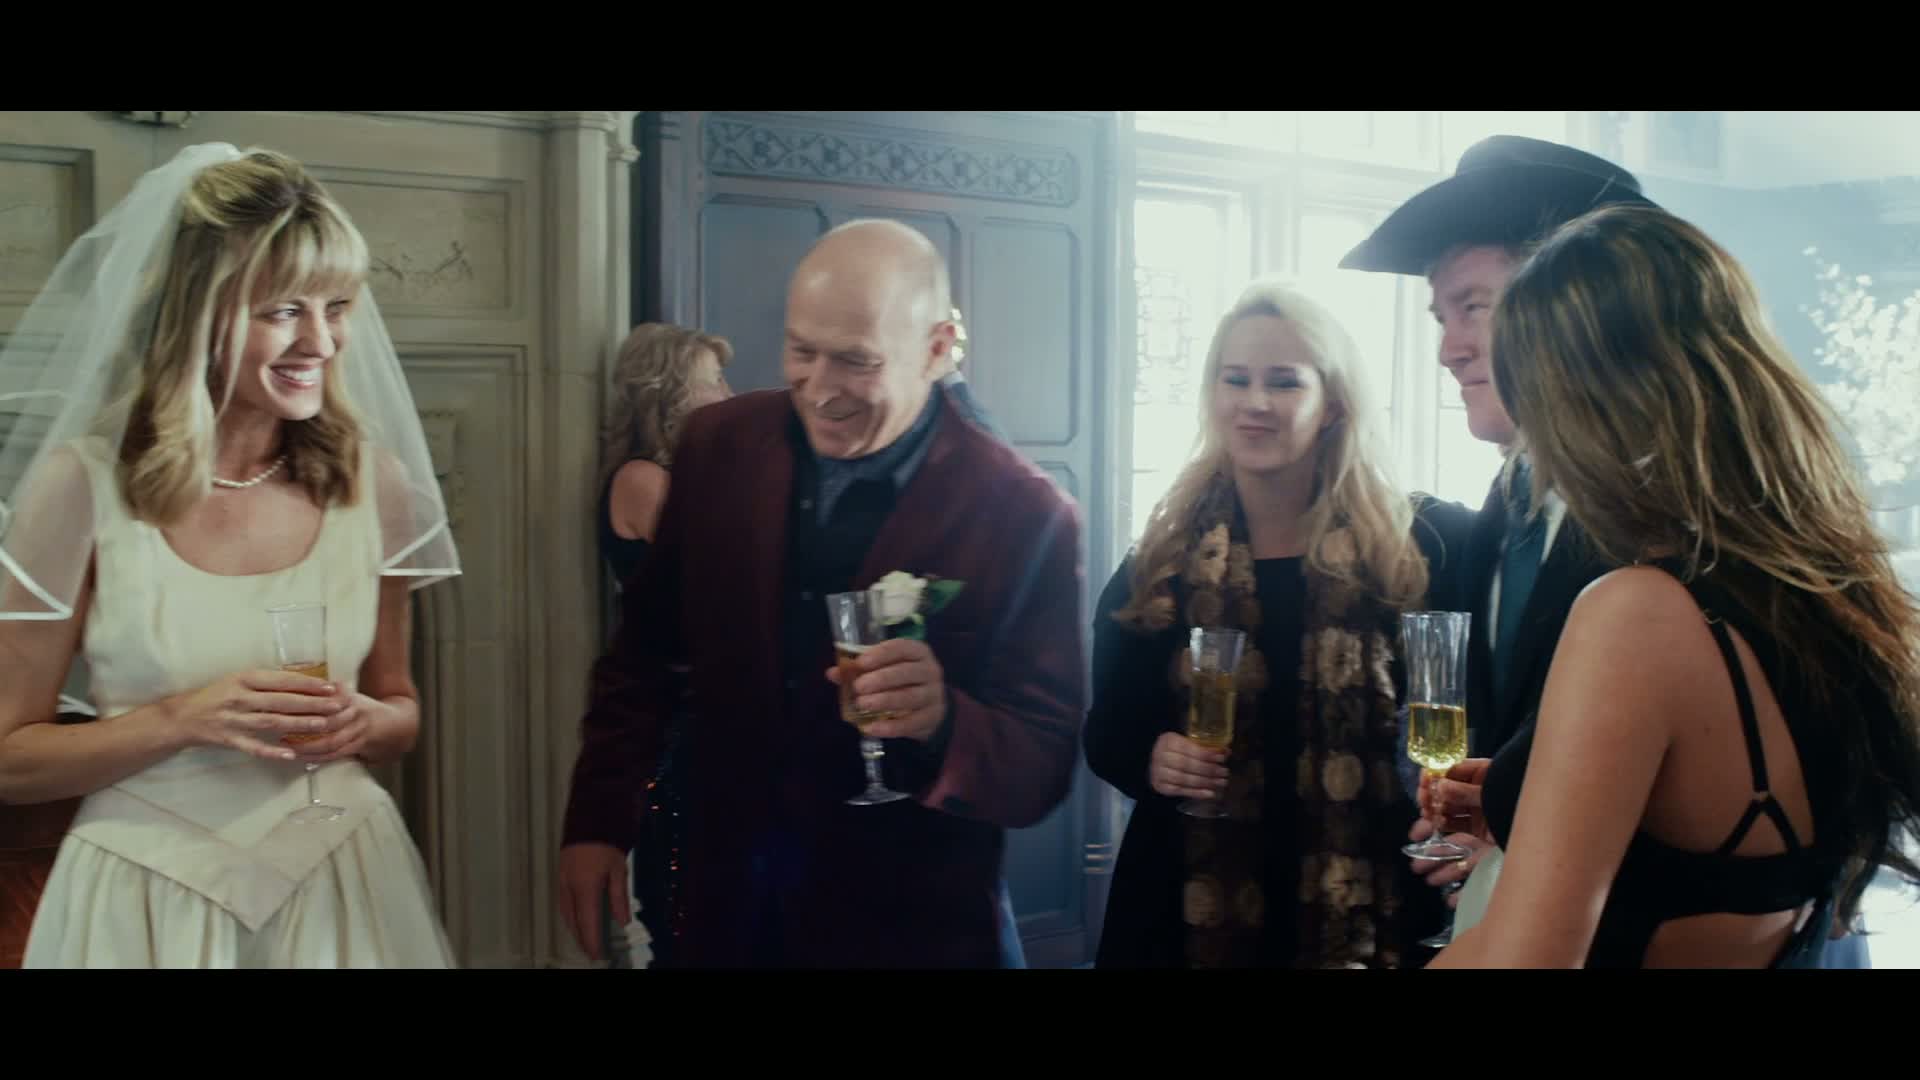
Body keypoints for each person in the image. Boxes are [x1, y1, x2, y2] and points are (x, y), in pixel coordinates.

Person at [557, 218, 1085, 968]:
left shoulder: (1024, 514)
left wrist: (944, 721)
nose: (820, 390)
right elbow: (643, 655)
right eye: (801, 351)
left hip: (911, 928)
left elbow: (1043, 764)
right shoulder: (717, 446)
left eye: (857, 362)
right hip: (727, 909)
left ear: (937, 349)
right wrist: (598, 819)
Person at [0, 144, 462, 967]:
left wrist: (369, 721)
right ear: (193, 316)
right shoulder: (81, 487)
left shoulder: (372, 484)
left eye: (337, 307)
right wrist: (181, 720)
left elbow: (401, 711)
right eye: (283, 310)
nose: (321, 341)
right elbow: (11, 762)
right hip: (143, 896)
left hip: (342, 883)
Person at [1426, 204, 1920, 967]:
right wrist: (1536, 798)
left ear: (1581, 406)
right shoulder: (1811, 593)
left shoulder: (1635, 614)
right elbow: (1704, 838)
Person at [1083, 280, 1470, 968]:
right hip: (1188, 907)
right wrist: (1152, 755)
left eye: (1284, 382)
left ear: (1333, 403)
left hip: (1371, 896)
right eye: (1236, 379)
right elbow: (1106, 731)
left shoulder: (1416, 547)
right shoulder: (1163, 559)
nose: (1255, 402)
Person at [1339, 134, 1657, 934]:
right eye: (1442, 316)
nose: (1448, 350)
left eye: (1474, 307)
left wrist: (1527, 854)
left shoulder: (1672, 519)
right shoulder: (1503, 506)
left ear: (1567, 309)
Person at [599, 323, 733, 588]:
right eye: (716, 379)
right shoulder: (640, 478)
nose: (729, 394)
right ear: (672, 393)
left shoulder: (682, 470)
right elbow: (727, 569)